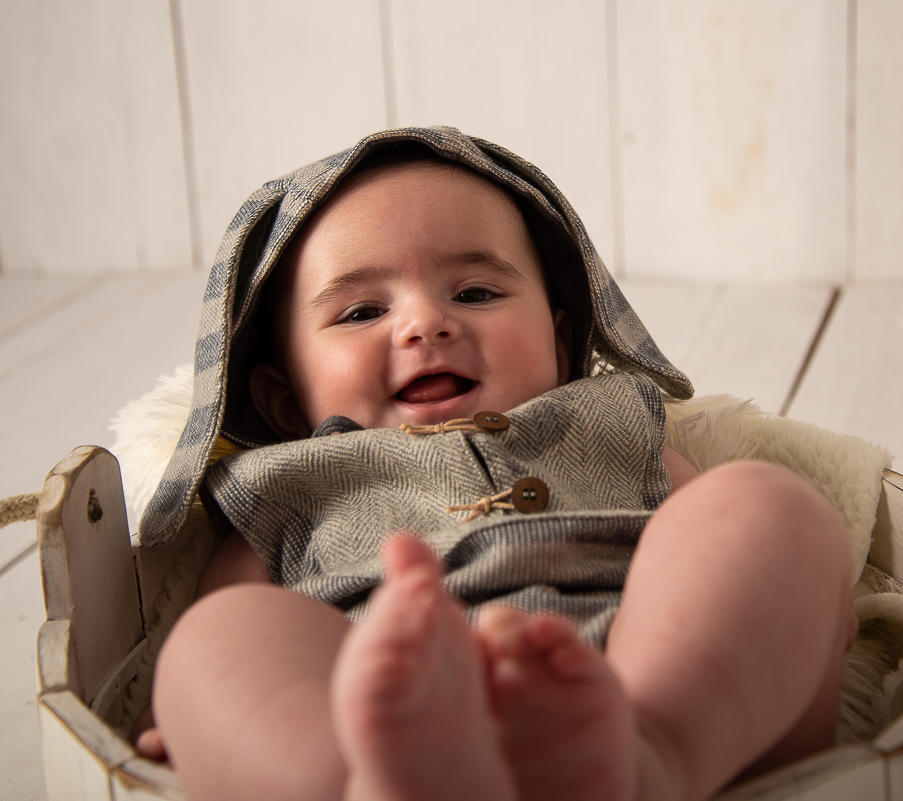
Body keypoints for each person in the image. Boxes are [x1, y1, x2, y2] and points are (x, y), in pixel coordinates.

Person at [135, 128, 858, 801]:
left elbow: (712, 544)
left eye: (476, 292)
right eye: (361, 312)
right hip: (383, 694)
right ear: (283, 400)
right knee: (216, 638)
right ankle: (365, 779)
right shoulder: (290, 476)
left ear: (559, 337)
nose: (425, 324)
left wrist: (796, 598)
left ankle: (648, 753)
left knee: (763, 504)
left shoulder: (609, 419)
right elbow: (227, 625)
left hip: (643, 672)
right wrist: (207, 711)